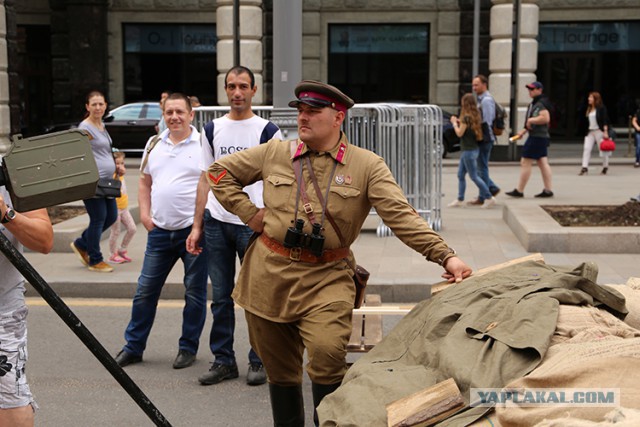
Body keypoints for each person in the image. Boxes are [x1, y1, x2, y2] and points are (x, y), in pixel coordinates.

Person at [207, 80, 472, 426]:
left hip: (326, 279)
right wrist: (250, 214)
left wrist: (446, 256)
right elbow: (219, 171)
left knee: (327, 352)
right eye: (300, 110)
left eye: (313, 111)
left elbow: (401, 216)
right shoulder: (275, 153)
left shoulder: (366, 165)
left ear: (338, 118)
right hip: (267, 278)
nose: (303, 117)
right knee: (281, 371)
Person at [186, 66, 282, 386]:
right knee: (222, 297)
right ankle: (223, 360)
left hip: (252, 224)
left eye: (243, 86)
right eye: (231, 86)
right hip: (217, 222)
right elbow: (206, 179)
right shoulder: (211, 130)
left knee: (257, 297)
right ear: (225, 91)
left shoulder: (268, 131)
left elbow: (280, 181)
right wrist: (197, 225)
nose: (237, 92)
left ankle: (259, 359)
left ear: (255, 90)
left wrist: (268, 218)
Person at [115, 93, 208, 370]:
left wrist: (198, 225)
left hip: (193, 233)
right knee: (145, 291)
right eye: (169, 112)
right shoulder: (154, 143)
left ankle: (187, 348)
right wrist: (144, 214)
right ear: (163, 115)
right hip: (159, 232)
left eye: (180, 112)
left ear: (191, 115)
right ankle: (133, 347)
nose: (174, 117)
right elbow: (144, 182)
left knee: (194, 293)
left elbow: (210, 185)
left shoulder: (203, 143)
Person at [0, 190, 53, 427]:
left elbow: (44, 240)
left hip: (2, 310)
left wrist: (6, 215)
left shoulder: (10, 165)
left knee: (10, 397)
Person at [70, 90, 118, 272]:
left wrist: (116, 165)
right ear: (87, 107)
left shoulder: (101, 125)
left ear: (105, 106)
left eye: (101, 104)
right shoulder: (85, 127)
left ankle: (82, 243)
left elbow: (104, 151)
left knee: (111, 216)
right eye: (94, 104)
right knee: (98, 218)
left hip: (107, 181)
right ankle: (95, 259)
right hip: (93, 181)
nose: (98, 107)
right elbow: (78, 153)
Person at [506, 81, 554, 198]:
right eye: (529, 89)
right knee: (542, 162)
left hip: (537, 137)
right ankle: (548, 190)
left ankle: (520, 190)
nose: (530, 91)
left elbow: (545, 118)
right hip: (539, 136)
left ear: (539, 90)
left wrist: (531, 121)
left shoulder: (540, 103)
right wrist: (524, 130)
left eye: (532, 89)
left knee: (525, 162)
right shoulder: (536, 103)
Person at [447, 93, 496, 209]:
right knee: (460, 174)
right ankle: (459, 198)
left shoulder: (465, 117)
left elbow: (459, 133)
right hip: (473, 149)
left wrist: (454, 124)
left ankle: (489, 197)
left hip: (467, 151)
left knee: (474, 176)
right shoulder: (475, 115)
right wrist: (460, 122)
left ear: (464, 103)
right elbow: (468, 128)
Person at [468, 74, 500, 205]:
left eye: (476, 85)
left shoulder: (486, 100)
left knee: (482, 168)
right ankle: (491, 188)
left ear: (484, 85)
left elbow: (487, 120)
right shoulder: (482, 99)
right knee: (481, 167)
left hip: (485, 138)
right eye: (473, 85)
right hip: (484, 137)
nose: (474, 87)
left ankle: (483, 197)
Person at [108, 151, 136, 263]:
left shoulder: (121, 175)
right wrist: (117, 173)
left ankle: (122, 249)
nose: (120, 166)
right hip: (115, 208)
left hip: (124, 208)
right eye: (117, 163)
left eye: (122, 163)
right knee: (115, 231)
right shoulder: (112, 175)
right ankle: (112, 254)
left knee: (132, 228)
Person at [578, 91, 612, 175]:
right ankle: (584, 167)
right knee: (586, 148)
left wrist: (605, 132)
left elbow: (605, 120)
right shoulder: (589, 108)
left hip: (599, 131)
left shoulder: (601, 108)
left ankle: (605, 166)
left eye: (590, 97)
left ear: (595, 99)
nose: (588, 99)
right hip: (590, 131)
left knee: (603, 149)